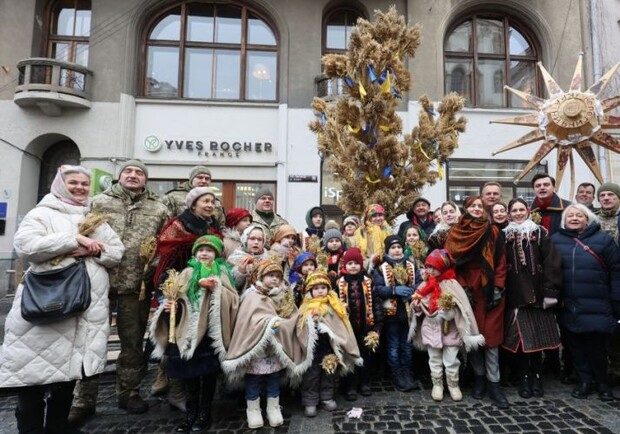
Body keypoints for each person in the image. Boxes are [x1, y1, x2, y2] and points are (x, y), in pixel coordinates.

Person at [0, 165, 124, 434]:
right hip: (48, 303)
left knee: (69, 372)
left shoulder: (95, 219)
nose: (80, 187)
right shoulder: (42, 213)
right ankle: (30, 429)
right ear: (60, 185)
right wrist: (72, 241)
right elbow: (27, 246)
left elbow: (116, 253)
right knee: (33, 372)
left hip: (85, 309)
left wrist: (92, 251)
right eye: (73, 183)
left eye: (83, 183)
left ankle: (59, 427)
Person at [69, 160, 170, 423]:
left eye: (139, 173)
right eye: (128, 171)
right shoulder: (98, 202)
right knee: (90, 339)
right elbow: (79, 233)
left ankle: (129, 392)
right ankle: (83, 399)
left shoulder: (158, 208)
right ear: (119, 176)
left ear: (146, 179)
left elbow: (165, 244)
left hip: (136, 286)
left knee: (132, 342)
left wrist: (154, 266)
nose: (134, 175)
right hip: (98, 282)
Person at [149, 235, 239, 432]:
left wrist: (217, 290)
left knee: (208, 375)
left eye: (209, 250)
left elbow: (233, 299)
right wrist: (172, 305)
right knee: (189, 375)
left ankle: (205, 412)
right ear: (195, 253)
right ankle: (191, 412)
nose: (204, 253)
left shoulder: (222, 272)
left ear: (216, 253)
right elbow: (177, 296)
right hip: (189, 332)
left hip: (210, 334)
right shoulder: (187, 273)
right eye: (200, 250)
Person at [151, 186, 222, 412]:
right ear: (193, 204)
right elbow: (166, 259)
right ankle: (177, 392)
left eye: (212, 201)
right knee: (177, 341)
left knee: (202, 344)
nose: (210, 205)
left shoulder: (213, 226)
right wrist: (173, 289)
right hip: (182, 289)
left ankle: (202, 396)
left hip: (208, 291)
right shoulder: (179, 226)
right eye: (205, 201)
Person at [222, 259, 314, 429]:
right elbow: (247, 320)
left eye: (278, 276)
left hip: (275, 349)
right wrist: (269, 323)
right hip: (256, 350)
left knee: (274, 380)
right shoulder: (252, 296)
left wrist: (300, 319)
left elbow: (290, 315)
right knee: (254, 381)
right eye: (271, 275)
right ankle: (253, 410)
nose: (275, 279)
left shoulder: (282, 295)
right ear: (261, 276)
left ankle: (273, 407)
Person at [445, 195, 509, 409]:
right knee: (472, 338)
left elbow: (501, 260)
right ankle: (479, 379)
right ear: (465, 208)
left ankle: (494, 384)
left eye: (480, 206)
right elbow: (451, 264)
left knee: (491, 340)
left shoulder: (493, 231)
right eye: (473, 206)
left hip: (489, 290)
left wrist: (498, 287)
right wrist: (462, 287)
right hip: (466, 290)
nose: (477, 209)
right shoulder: (455, 233)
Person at [551, 204, 620, 401]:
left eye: (578, 215)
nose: (574, 218)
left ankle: (602, 383)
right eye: (570, 215)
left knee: (598, 348)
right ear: (564, 221)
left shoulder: (603, 240)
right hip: (569, 304)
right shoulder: (556, 240)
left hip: (598, 303)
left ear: (587, 218)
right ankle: (584, 381)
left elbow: (616, 271)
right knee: (576, 347)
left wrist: (616, 299)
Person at [501, 198, 562, 399]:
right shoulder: (503, 235)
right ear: (509, 214)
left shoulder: (539, 232)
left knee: (537, 340)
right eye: (514, 210)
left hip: (537, 295)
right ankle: (524, 377)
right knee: (520, 342)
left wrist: (550, 292)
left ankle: (537, 377)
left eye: (521, 209)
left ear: (527, 211)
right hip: (514, 296)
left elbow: (552, 263)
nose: (518, 213)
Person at [410, 249, 485, 402]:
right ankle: (437, 384)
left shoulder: (452, 284)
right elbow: (416, 305)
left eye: (434, 267)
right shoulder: (425, 284)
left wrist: (450, 312)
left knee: (451, 359)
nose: (430, 270)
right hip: (431, 328)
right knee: (434, 358)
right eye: (428, 267)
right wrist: (417, 307)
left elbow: (462, 306)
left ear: (442, 266)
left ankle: (453, 384)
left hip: (450, 330)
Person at [299, 270, 361, 416]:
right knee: (311, 375)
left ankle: (326, 397)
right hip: (313, 349)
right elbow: (299, 326)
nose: (320, 291)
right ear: (310, 291)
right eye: (316, 288)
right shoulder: (306, 305)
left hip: (329, 347)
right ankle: (310, 400)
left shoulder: (334, 304)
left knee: (329, 372)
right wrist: (311, 321)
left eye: (323, 287)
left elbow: (340, 324)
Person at [373, 235, 421, 392]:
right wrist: (394, 290)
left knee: (407, 345)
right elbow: (378, 288)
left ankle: (408, 372)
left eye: (399, 247)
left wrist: (412, 290)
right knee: (393, 345)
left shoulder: (411, 265)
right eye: (393, 248)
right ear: (388, 250)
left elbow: (420, 282)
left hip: (408, 313)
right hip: (391, 314)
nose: (396, 250)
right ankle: (397, 374)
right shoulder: (381, 268)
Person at [337, 247, 383, 400]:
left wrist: (377, 326)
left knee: (365, 356)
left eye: (356, 263)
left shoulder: (368, 282)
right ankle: (350, 385)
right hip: (348, 329)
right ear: (344, 265)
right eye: (349, 263)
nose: (353, 266)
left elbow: (376, 304)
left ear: (361, 264)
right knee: (349, 356)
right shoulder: (339, 283)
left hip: (365, 327)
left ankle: (364, 383)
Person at [595, 183, 620, 385]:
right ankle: (608, 370)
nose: (606, 198)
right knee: (604, 328)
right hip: (598, 281)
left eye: (610, 194)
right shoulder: (593, 219)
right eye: (602, 195)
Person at [227, 224, 273, 293]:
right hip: (243, 299)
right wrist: (241, 272)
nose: (256, 242)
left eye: (260, 239)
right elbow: (233, 286)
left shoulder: (269, 258)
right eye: (252, 238)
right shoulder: (235, 258)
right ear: (245, 239)